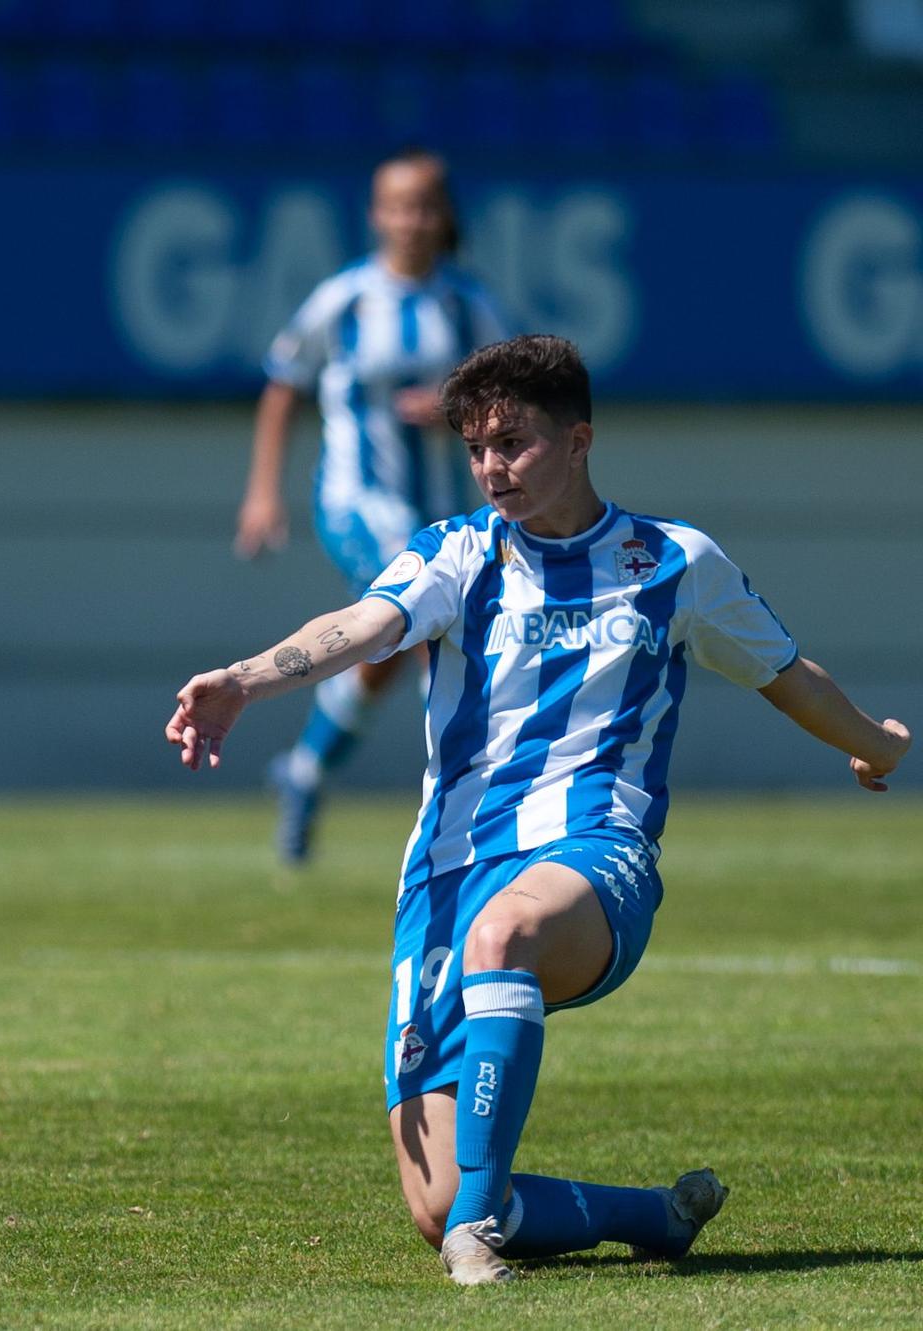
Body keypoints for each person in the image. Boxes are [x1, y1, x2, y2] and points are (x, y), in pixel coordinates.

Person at [170, 335, 908, 1284]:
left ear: (579, 440)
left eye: (512, 443)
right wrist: (242, 678)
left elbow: (785, 673)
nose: (490, 467)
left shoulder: (674, 562)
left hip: (599, 852)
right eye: (476, 448)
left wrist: (873, 742)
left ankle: (481, 1236)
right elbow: (358, 626)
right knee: (432, 1203)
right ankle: (645, 1218)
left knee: (506, 931)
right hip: (447, 866)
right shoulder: (455, 552)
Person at [236, 149, 510, 863]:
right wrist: (264, 492)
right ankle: (468, 814)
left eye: (424, 205)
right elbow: (282, 385)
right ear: (375, 214)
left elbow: (512, 401)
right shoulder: (344, 299)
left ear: (443, 214)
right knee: (429, 633)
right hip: (356, 501)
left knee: (390, 646)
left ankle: (304, 770)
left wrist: (456, 407)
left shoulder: (467, 305)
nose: (410, 219)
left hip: (442, 511)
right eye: (397, 204)